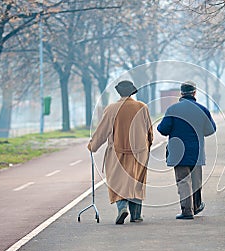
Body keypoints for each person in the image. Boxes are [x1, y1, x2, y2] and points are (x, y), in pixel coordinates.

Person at [88, 80, 153, 224]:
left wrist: (93, 146)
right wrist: (147, 146)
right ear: (132, 92)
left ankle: (122, 207)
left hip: (117, 152)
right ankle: (136, 215)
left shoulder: (111, 109)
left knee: (117, 181)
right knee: (136, 181)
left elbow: (102, 131)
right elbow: (149, 131)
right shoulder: (142, 107)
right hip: (139, 152)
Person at [157, 81, 216, 219]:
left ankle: (187, 211)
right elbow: (211, 129)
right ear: (194, 93)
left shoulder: (172, 110)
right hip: (197, 152)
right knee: (196, 181)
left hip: (178, 153)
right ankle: (196, 206)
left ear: (181, 93)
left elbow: (163, 129)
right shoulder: (202, 109)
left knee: (183, 181)